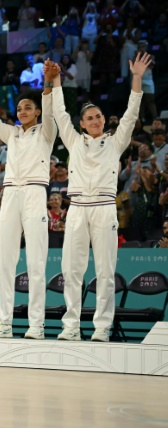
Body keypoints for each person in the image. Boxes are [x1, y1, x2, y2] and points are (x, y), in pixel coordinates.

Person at [49, 52, 152, 342]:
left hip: (105, 208)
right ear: (82, 123)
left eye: (98, 117)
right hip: (78, 208)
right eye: (90, 118)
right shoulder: (72, 140)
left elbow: (131, 114)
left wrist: (136, 77)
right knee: (71, 270)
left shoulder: (115, 141)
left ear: (104, 120)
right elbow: (59, 113)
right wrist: (56, 81)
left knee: (105, 272)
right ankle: (70, 326)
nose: (95, 120)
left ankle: (102, 327)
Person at [0, 60, 57, 339]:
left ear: (37, 112)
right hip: (10, 193)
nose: (22, 111)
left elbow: (51, 109)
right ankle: (4, 322)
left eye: (28, 108)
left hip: (35, 192)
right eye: (20, 108)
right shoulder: (11, 133)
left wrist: (47, 83)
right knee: (5, 261)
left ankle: (36, 324)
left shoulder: (47, 132)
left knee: (36, 261)